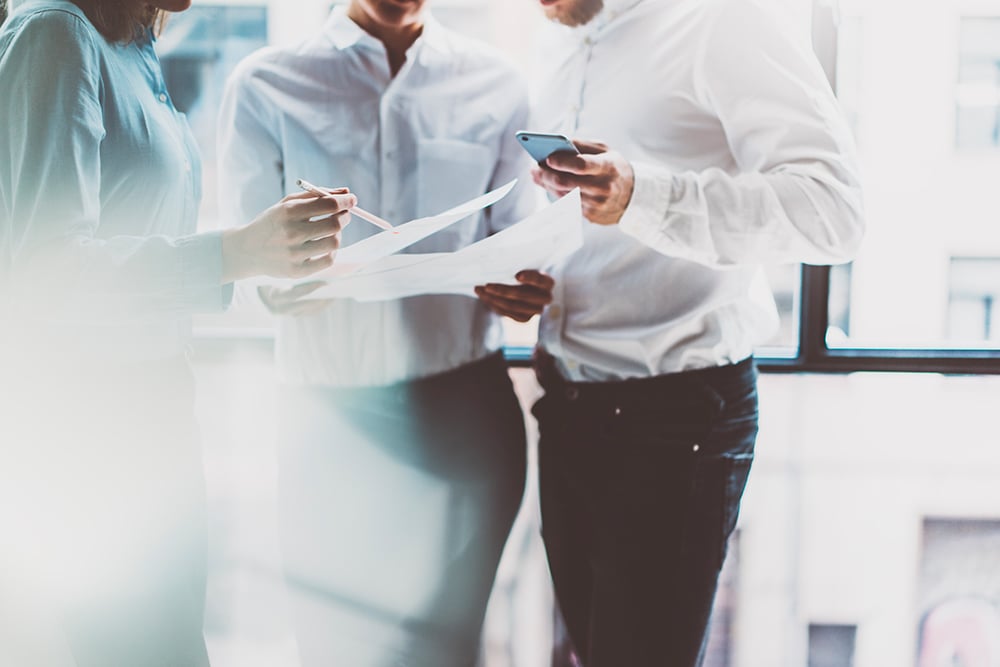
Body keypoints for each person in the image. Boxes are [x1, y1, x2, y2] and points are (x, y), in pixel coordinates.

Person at [495, 0, 865, 664]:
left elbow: (832, 211)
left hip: (675, 420)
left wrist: (644, 196)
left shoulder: (724, 18)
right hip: (566, 408)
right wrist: (534, 277)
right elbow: (587, 218)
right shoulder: (562, 41)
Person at [0, 1, 355, 665]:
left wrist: (267, 256)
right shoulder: (55, 34)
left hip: (153, 419)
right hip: (81, 439)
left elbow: (133, 229)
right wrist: (235, 253)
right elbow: (47, 271)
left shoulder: (131, 46)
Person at [217, 1, 552, 664]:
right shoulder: (264, 84)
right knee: (332, 647)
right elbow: (247, 269)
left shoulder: (501, 84)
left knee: (447, 649)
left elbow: (519, 244)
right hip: (327, 421)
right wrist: (279, 282)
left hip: (464, 415)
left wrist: (528, 287)